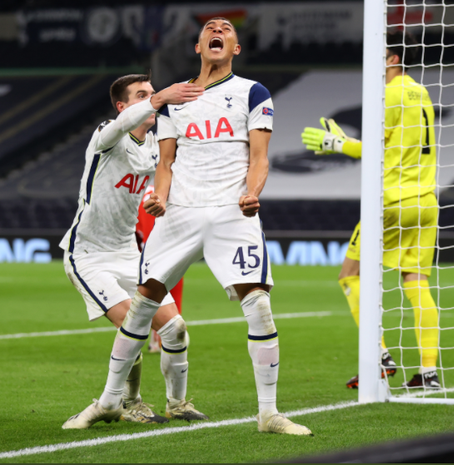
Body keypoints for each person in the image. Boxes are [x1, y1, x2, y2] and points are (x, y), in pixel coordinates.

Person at [102, 17, 312, 436]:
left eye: (227, 28)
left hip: (232, 211)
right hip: (179, 210)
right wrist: (159, 196)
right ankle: (108, 401)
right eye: (210, 28)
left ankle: (268, 413)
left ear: (234, 47)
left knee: (259, 304)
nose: (218, 29)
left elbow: (259, 158)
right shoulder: (176, 99)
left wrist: (253, 192)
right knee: (145, 302)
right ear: (199, 46)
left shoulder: (253, 93)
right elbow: (165, 163)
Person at [60, 74, 209, 429]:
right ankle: (131, 402)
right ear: (123, 106)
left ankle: (178, 403)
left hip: (129, 253)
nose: (153, 99)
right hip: (89, 254)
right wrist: (161, 99)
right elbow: (125, 123)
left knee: (175, 329)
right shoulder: (106, 136)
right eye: (143, 95)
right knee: (134, 327)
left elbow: (168, 176)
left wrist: (159, 198)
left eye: (154, 93)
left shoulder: (156, 143)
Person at [301, 30, 441, 390]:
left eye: (379, 54)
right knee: (416, 281)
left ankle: (379, 356)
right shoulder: (420, 91)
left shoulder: (388, 93)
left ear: (393, 59)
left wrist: (337, 143)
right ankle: (428, 373)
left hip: (391, 201)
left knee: (350, 274)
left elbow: (377, 150)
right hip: (425, 201)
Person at [135, 185, 185, 354]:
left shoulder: (142, 193)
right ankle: (166, 340)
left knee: (147, 298)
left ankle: (150, 339)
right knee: (172, 296)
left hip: (145, 255)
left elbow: (137, 230)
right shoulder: (176, 190)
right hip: (171, 251)